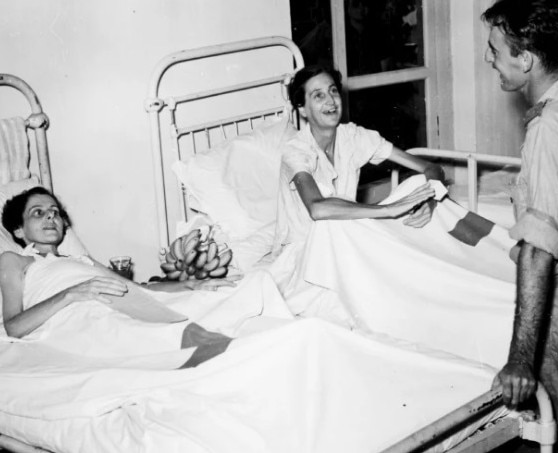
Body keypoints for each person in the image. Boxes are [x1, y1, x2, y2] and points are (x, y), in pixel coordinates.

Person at [482, 1, 558, 451]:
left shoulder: (550, 128)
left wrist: (520, 360)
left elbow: (537, 251)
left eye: (495, 49)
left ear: (526, 59)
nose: (488, 59)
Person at [0, 187, 238, 365]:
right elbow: (14, 327)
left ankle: (216, 346)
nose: (50, 217)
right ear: (18, 230)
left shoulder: (80, 261)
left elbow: (137, 288)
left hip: (123, 304)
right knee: (159, 336)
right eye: (38, 212)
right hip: (78, 316)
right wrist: (71, 294)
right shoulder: (15, 260)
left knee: (214, 301)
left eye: (55, 212)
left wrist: (192, 284)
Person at [274, 64, 443, 252]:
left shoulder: (352, 137)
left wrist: (431, 201)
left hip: (346, 237)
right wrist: (389, 210)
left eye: (333, 91)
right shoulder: (296, 150)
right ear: (303, 110)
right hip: (307, 252)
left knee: (418, 184)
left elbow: (431, 169)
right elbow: (317, 208)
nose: (331, 101)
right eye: (318, 95)